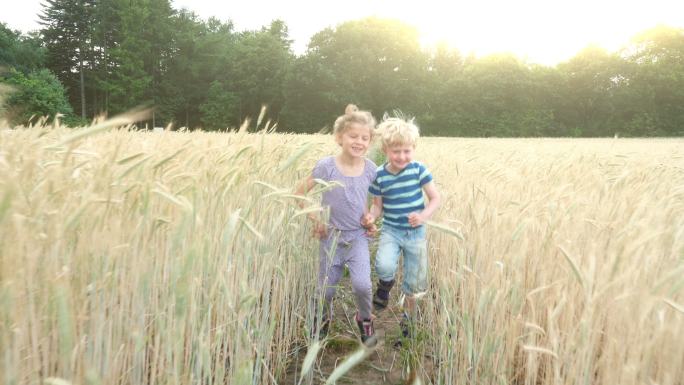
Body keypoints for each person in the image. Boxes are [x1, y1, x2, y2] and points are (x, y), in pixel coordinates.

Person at [297, 104, 378, 345]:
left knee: (363, 286)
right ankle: (322, 319)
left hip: (357, 237)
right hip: (330, 236)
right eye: (353, 136)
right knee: (326, 289)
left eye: (365, 138)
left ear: (370, 141)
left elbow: (377, 204)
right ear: (339, 137)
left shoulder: (371, 170)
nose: (359, 142)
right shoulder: (327, 166)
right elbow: (299, 194)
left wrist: (372, 217)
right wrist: (316, 219)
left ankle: (365, 318)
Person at [362, 114, 441, 346]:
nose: (402, 157)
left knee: (414, 284)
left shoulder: (418, 170)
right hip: (391, 231)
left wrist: (424, 215)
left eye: (407, 151)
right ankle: (385, 286)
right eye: (396, 152)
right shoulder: (379, 175)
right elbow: (378, 207)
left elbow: (435, 198)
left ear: (413, 149)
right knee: (385, 265)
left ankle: (408, 324)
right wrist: (371, 217)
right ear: (385, 149)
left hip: (415, 234)